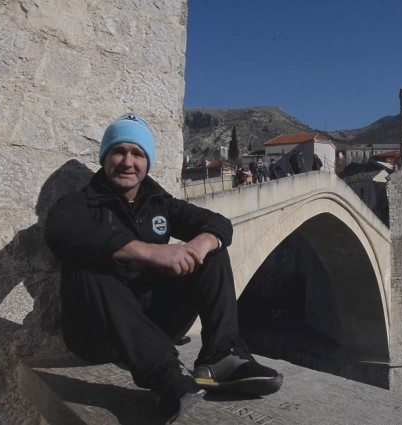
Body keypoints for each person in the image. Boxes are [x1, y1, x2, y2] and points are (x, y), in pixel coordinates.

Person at [44, 114, 283, 423]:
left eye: (138, 153)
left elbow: (218, 223)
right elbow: (59, 232)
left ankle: (221, 356)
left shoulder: (160, 203)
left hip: (155, 322)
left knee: (210, 250)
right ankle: (165, 378)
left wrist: (198, 245)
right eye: (119, 151)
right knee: (84, 265)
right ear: (105, 157)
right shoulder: (80, 204)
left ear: (148, 161)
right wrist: (146, 251)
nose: (127, 161)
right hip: (100, 335)